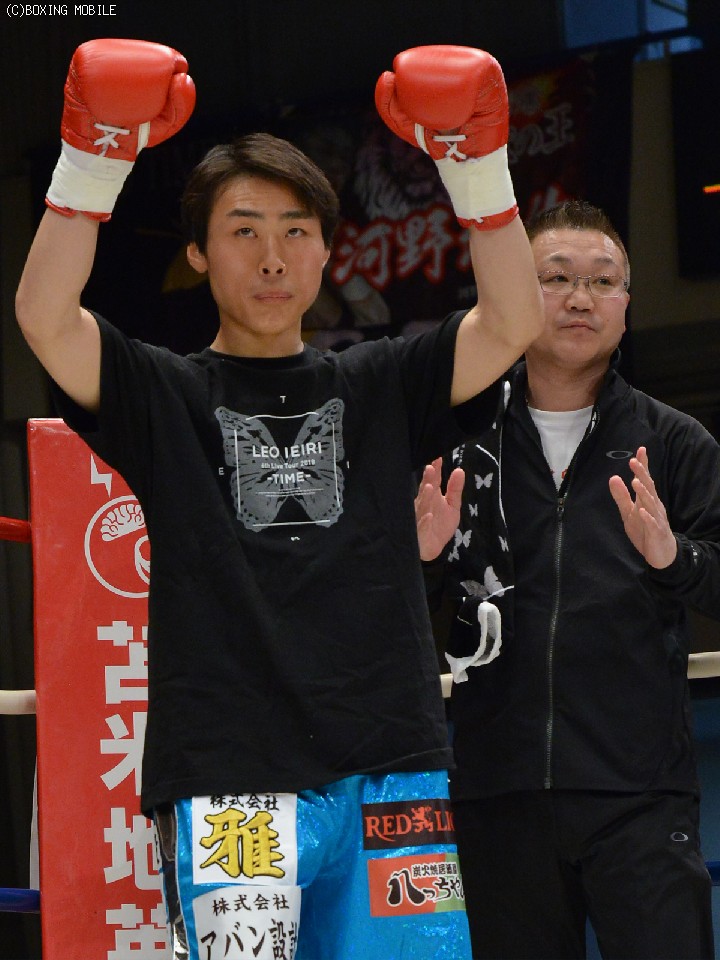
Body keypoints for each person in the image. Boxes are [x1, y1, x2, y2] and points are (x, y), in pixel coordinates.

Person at [15, 39, 544, 960]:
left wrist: (478, 172)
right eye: (244, 230)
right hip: (231, 775)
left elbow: (512, 323)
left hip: (390, 769)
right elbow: (45, 318)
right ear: (198, 252)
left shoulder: (381, 381)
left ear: (328, 251)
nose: (273, 257)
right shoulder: (165, 393)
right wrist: (93, 161)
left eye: (296, 231)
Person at [417, 199, 720, 959]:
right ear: (515, 296)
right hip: (498, 789)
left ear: (627, 304)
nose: (581, 298)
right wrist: (417, 561)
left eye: (603, 281)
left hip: (641, 794)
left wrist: (673, 557)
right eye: (554, 278)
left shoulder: (675, 444)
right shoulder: (456, 443)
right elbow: (385, 615)